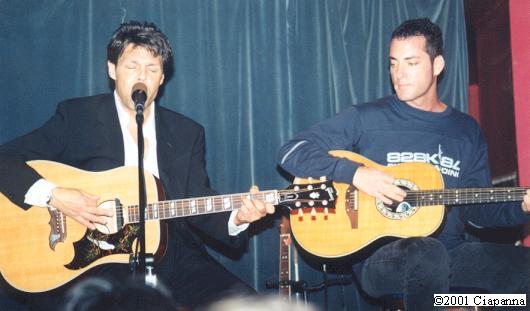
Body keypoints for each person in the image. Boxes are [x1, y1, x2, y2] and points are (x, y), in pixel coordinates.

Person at [0, 21, 274, 310]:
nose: (141, 77)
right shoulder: (78, 116)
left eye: (152, 69)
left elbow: (196, 203)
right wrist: (55, 195)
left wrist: (239, 218)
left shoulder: (186, 132)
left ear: (162, 77)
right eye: (132, 67)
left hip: (173, 254)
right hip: (92, 259)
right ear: (111, 70)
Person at [277, 18, 530, 310]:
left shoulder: (466, 130)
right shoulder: (366, 118)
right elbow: (291, 151)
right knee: (426, 253)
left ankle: (460, 303)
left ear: (437, 66)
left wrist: (520, 207)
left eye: (411, 63)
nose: (399, 74)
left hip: (452, 255)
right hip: (382, 259)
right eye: (393, 63)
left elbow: (477, 212)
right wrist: (356, 173)